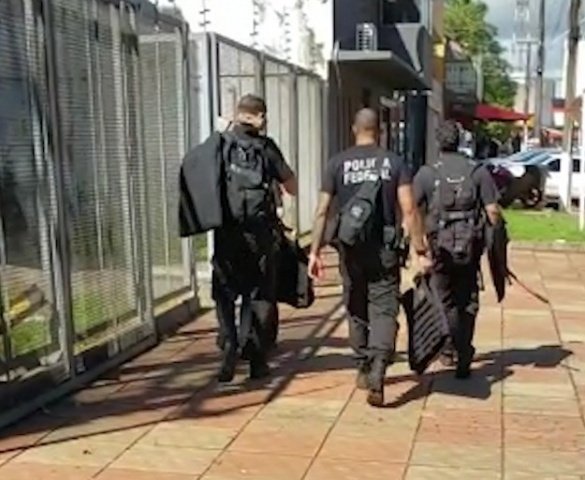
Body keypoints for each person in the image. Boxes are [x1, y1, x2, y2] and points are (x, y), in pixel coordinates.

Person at [308, 108, 430, 407]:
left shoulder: (337, 163)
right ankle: (378, 369)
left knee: (356, 305)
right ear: (380, 131)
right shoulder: (394, 162)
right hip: (385, 249)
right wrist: (420, 249)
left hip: (350, 249)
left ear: (354, 129)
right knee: (385, 309)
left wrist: (314, 251)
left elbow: (322, 210)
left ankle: (363, 364)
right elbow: (409, 208)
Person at [212, 94, 297, 382]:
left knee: (224, 290)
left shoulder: (221, 143)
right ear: (260, 116)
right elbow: (292, 186)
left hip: (226, 231)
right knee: (258, 294)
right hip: (259, 234)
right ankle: (257, 360)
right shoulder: (266, 147)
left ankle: (229, 343)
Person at [413, 120, 501, 379]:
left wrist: (418, 248)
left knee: (444, 299)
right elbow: (493, 212)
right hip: (470, 249)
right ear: (460, 140)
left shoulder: (427, 173)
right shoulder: (477, 172)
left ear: (438, 142)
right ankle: (464, 350)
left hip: (439, 249)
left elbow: (411, 210)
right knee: (468, 300)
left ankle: (450, 347)